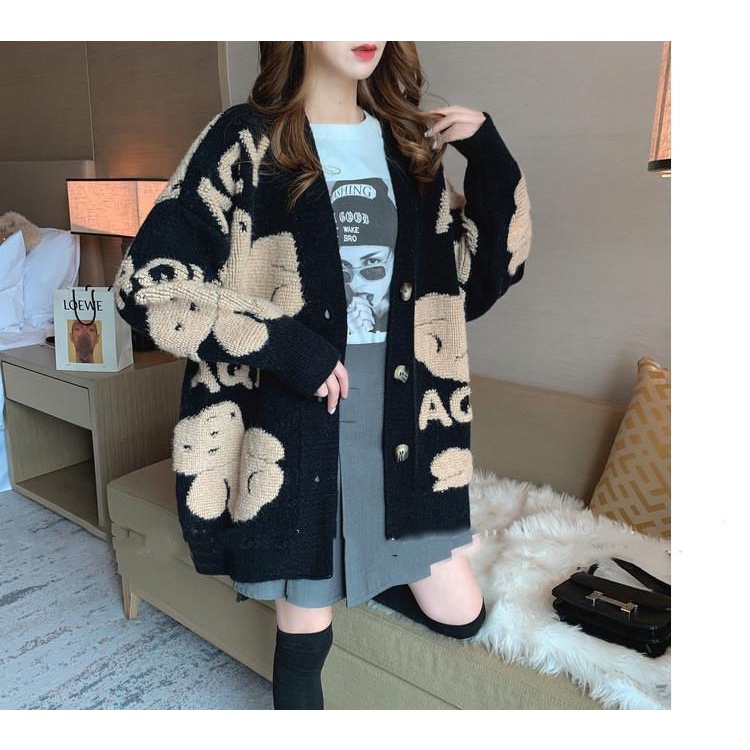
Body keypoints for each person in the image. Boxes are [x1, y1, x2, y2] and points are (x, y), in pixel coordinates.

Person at [113, 40, 531, 710]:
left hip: (407, 415)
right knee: (306, 629)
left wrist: (489, 156)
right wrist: (288, 347)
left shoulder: (406, 148)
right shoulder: (246, 139)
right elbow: (147, 288)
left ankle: (359, 571)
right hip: (297, 410)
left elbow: (478, 280)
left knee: (462, 614)